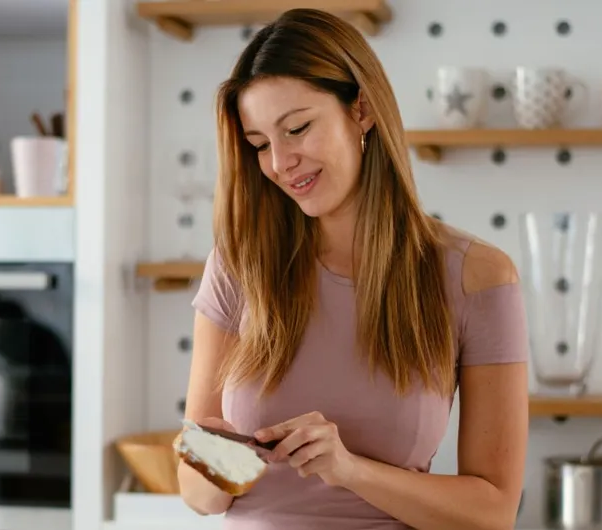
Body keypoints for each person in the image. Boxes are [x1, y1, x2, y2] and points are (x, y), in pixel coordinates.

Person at [177, 8, 529, 530]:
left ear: (361, 110)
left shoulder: (476, 276)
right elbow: (199, 497)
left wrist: (349, 470)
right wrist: (212, 455)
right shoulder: (237, 267)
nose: (279, 162)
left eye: (297, 128)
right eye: (259, 145)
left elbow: (493, 512)